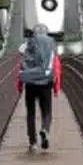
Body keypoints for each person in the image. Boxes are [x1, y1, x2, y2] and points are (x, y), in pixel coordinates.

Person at [15, 23, 62, 151]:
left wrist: (19, 85)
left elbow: (22, 65)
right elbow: (56, 67)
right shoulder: (52, 45)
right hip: (46, 83)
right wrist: (56, 88)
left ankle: (33, 142)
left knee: (30, 113)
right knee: (47, 111)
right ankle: (45, 129)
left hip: (30, 83)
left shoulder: (28, 44)